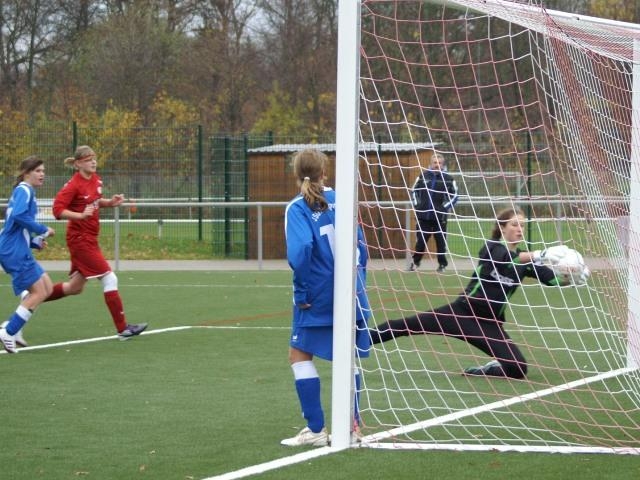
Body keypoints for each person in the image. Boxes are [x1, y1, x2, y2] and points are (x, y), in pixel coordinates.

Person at [370, 207, 584, 379]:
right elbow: (506, 260)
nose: (519, 229)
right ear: (502, 227)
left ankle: (488, 369)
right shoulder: (492, 248)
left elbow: (552, 279)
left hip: (489, 324)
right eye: (514, 224)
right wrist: (539, 253)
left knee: (517, 368)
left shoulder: (526, 261)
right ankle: (359, 340)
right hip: (461, 313)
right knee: (405, 326)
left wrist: (573, 277)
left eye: (522, 225)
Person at [281, 149, 371, 447]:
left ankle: (316, 429)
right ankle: (352, 427)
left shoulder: (298, 207)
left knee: (299, 354)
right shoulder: (344, 200)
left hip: (317, 294)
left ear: (296, 174)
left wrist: (301, 292)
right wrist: (358, 286)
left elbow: (300, 251)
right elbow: (362, 249)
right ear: (324, 172)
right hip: (351, 291)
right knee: (347, 356)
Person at [21, 145, 147, 341]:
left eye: (94, 158)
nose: (93, 162)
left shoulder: (95, 179)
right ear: (78, 164)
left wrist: (109, 203)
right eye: (88, 159)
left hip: (90, 239)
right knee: (110, 278)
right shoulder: (73, 185)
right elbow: (57, 210)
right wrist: (80, 216)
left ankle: (30, 298)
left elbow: (94, 202)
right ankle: (123, 329)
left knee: (74, 287)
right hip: (80, 240)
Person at [0, 156, 56, 353]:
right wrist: (42, 229)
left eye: (43, 171)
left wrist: (34, 242)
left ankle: (13, 327)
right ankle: (9, 331)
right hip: (13, 251)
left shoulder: (24, 191)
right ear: (26, 173)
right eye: (38, 171)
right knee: (38, 292)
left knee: (47, 288)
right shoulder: (25, 190)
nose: (42, 174)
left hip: (16, 248)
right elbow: (18, 216)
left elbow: (16, 226)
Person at [408, 152, 459, 273]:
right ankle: (415, 262)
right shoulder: (423, 176)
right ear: (431, 164)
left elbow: (455, 196)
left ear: (443, 164)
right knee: (420, 242)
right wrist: (418, 205)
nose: (437, 165)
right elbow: (414, 191)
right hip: (423, 217)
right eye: (435, 163)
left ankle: (442, 265)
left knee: (441, 243)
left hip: (440, 218)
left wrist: (444, 208)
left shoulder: (449, 179)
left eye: (439, 163)